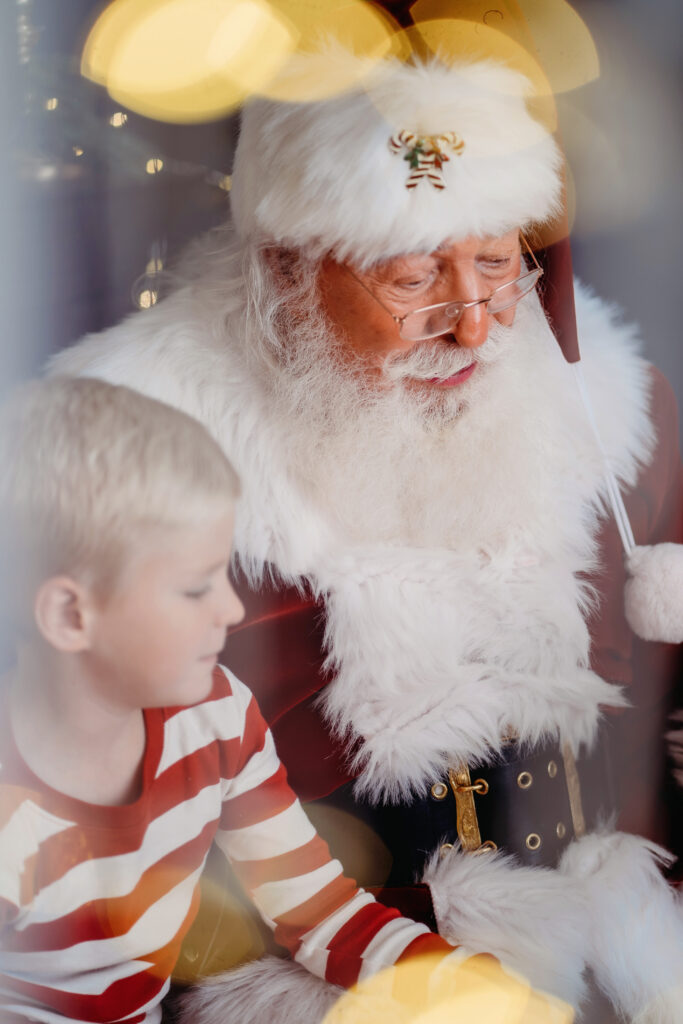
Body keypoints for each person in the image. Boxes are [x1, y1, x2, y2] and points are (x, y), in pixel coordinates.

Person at [49, 45, 683, 1024]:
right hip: (328, 969)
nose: (472, 325)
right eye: (414, 275)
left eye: (493, 262)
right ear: (286, 269)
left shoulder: (610, 401)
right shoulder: (126, 445)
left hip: (623, 916)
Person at [0, 377, 569, 1024]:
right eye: (194, 588)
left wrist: (471, 987)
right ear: (71, 615)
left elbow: (318, 912)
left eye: (224, 574)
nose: (231, 608)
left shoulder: (214, 716)